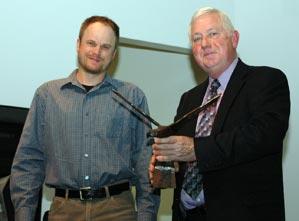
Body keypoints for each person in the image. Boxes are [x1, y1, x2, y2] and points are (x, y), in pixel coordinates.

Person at [10, 16, 159, 221]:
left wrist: (146, 216)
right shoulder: (47, 95)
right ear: (78, 44)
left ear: (114, 54)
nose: (97, 52)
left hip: (118, 211)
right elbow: (28, 162)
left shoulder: (132, 97)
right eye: (91, 43)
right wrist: (23, 216)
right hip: (63, 211)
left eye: (105, 47)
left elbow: (146, 164)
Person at [149, 6, 290, 221]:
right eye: (197, 39)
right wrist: (167, 164)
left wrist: (194, 149)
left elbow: (263, 136)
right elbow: (186, 162)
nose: (204, 44)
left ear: (234, 38)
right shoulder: (189, 98)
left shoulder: (266, 80)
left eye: (213, 34)